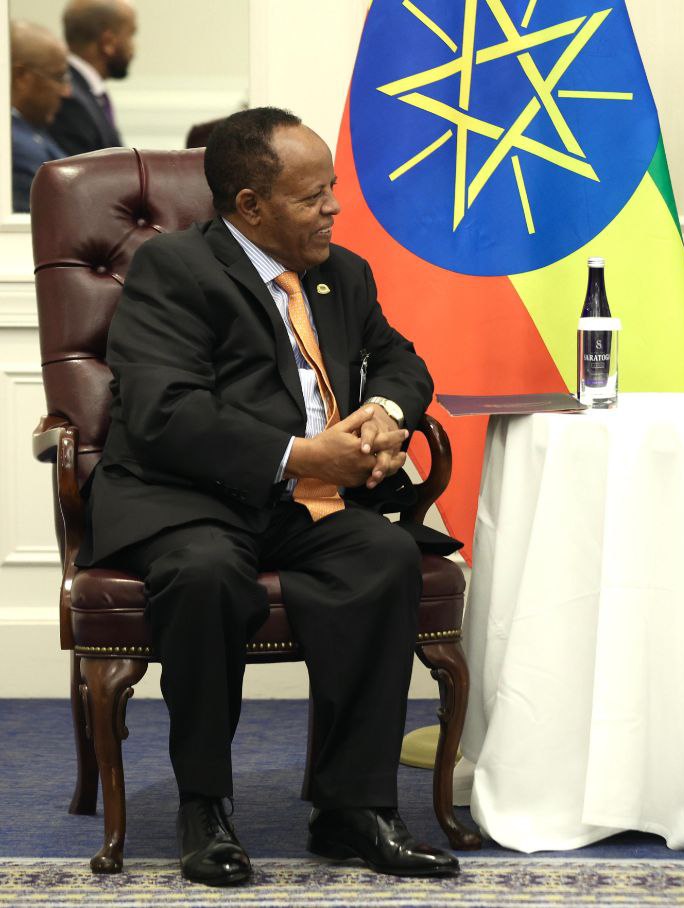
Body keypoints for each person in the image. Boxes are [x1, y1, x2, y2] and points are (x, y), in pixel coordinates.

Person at [76, 106, 458, 886]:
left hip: (304, 505)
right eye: (314, 196)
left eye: (332, 189)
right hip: (188, 499)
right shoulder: (174, 269)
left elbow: (401, 360)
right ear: (250, 205)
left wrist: (383, 415)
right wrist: (303, 453)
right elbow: (165, 413)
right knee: (205, 574)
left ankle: (353, 808)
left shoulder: (342, 272)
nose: (334, 208)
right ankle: (205, 808)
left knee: (384, 556)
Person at [48, 0, 134, 156]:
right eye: (130, 35)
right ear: (108, 42)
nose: (134, 48)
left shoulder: (88, 91)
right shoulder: (70, 99)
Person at [10, 21, 71, 213]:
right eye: (58, 77)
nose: (66, 91)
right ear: (21, 76)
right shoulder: (14, 145)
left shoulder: (31, 129)